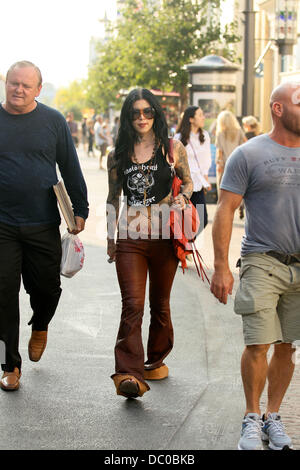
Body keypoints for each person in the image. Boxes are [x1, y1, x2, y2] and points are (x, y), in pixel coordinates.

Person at [210, 82, 300, 450]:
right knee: (259, 342)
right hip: (262, 260)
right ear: (278, 108)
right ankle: (251, 417)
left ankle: (273, 417)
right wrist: (220, 266)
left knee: (287, 346)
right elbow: (226, 209)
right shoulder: (248, 154)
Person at [0, 61, 89, 391]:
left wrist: (80, 208)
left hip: (42, 222)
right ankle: (8, 364)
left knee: (47, 288)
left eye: (25, 85)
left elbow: (69, 165)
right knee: (2, 295)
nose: (18, 89)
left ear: (38, 89)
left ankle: (40, 324)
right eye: (13, 83)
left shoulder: (52, 121)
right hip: (2, 224)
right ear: (6, 84)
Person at [106, 88, 193, 398]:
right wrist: (110, 237)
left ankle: (154, 360)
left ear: (156, 114)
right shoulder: (117, 153)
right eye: (135, 113)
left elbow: (189, 182)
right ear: (127, 118)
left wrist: (182, 197)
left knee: (160, 304)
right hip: (131, 236)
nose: (141, 118)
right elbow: (113, 197)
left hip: (165, 235)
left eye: (147, 112)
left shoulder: (172, 148)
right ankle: (129, 374)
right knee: (132, 304)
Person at [174, 105, 212, 235]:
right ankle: (183, 247)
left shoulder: (205, 136)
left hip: (199, 183)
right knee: (184, 218)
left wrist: (206, 177)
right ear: (191, 119)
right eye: (200, 115)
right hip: (184, 184)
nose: (203, 117)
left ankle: (187, 244)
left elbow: (207, 157)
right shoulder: (178, 137)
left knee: (203, 219)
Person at [215, 110, 246, 195]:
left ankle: (223, 206)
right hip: (237, 163)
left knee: (222, 188)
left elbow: (219, 151)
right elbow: (245, 144)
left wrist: (219, 163)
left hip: (224, 163)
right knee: (236, 187)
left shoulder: (220, 133)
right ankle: (238, 205)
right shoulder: (239, 131)